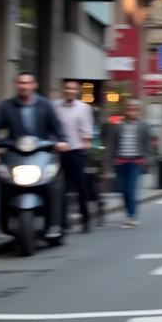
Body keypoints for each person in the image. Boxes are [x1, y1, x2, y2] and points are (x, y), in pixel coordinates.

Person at [0, 71, 69, 238]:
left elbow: (57, 127)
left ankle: (55, 224)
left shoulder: (45, 105)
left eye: (27, 83)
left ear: (34, 85)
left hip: (42, 154)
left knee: (54, 184)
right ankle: (2, 224)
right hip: (15, 154)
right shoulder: (6, 106)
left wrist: (62, 140)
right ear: (16, 85)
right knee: (4, 184)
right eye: (21, 83)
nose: (24, 86)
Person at [54, 79, 96, 233]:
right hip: (58, 152)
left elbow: (87, 131)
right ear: (63, 90)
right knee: (61, 189)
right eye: (67, 88)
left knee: (80, 187)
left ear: (77, 91)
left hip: (77, 152)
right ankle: (62, 223)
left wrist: (85, 147)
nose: (70, 91)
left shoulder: (83, 108)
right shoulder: (55, 106)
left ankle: (86, 219)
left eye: (73, 89)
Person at [103, 99, 152, 227]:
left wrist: (147, 160)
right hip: (120, 162)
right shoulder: (118, 126)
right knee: (123, 190)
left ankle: (132, 216)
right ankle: (128, 214)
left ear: (138, 111)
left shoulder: (143, 126)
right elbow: (111, 145)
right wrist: (107, 166)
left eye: (134, 109)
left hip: (135, 162)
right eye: (129, 109)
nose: (132, 112)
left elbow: (147, 145)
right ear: (126, 111)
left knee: (130, 189)